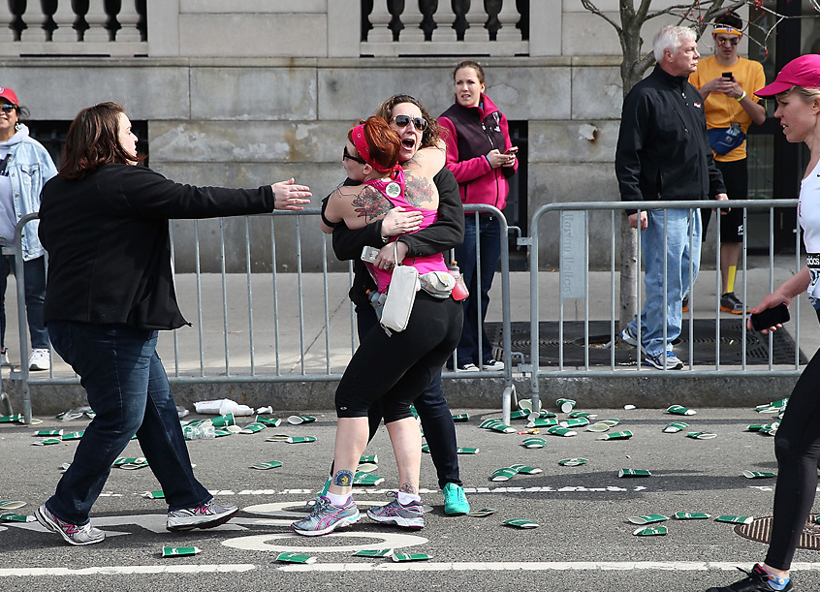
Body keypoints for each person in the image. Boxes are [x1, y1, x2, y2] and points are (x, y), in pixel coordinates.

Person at [34, 102, 311, 546]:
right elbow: (193, 199)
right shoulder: (126, 183)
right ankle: (65, 508)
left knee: (156, 411)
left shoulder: (58, 188)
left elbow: (54, 240)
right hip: (110, 325)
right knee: (120, 417)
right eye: (128, 131)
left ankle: (188, 501)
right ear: (107, 138)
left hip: (77, 321)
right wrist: (265, 197)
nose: (135, 139)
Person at [291, 116, 462, 536]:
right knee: (399, 401)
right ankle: (408, 501)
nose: (342, 161)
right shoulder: (421, 180)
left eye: (348, 156)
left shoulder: (350, 196)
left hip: (411, 309)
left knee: (352, 398)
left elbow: (327, 222)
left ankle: (338, 501)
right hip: (449, 307)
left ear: (367, 166)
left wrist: (374, 222)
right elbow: (436, 155)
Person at [705, 53, 820, 592]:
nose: (775, 110)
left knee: (795, 442)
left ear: (817, 105)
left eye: (786, 100)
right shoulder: (812, 166)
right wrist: (786, 291)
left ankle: (774, 575)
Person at [616, 25, 728, 370]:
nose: (697, 55)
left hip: (693, 203)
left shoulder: (692, 95)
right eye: (690, 50)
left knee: (686, 274)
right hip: (662, 204)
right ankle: (657, 344)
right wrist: (635, 202)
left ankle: (641, 328)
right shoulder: (643, 95)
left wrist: (717, 185)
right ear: (668, 55)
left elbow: (702, 149)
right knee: (665, 278)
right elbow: (628, 154)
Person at [438, 60, 517, 372]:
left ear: (482, 86)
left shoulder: (497, 117)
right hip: (466, 217)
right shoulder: (448, 122)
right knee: (462, 289)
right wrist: (487, 162)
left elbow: (509, 158)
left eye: (470, 82)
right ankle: (461, 354)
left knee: (481, 291)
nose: (464, 88)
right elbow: (449, 171)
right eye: (459, 83)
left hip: (493, 217)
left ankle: (482, 353)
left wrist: (508, 161)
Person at [689, 11, 767, 315]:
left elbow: (760, 117)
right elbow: (684, 107)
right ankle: (684, 290)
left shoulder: (753, 68)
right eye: (721, 40)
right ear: (714, 40)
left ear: (740, 40)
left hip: (735, 158)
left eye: (732, 41)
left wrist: (740, 94)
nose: (726, 46)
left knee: (733, 229)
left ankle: (728, 291)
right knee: (695, 226)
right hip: (703, 157)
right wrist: (708, 88)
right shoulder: (701, 67)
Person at [0, 87, 56, 371]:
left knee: (35, 295)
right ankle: (0, 351)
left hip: (27, 239)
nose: (1, 112)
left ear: (17, 114)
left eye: (7, 107)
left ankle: (41, 348)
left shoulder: (33, 150)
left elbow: (54, 189)